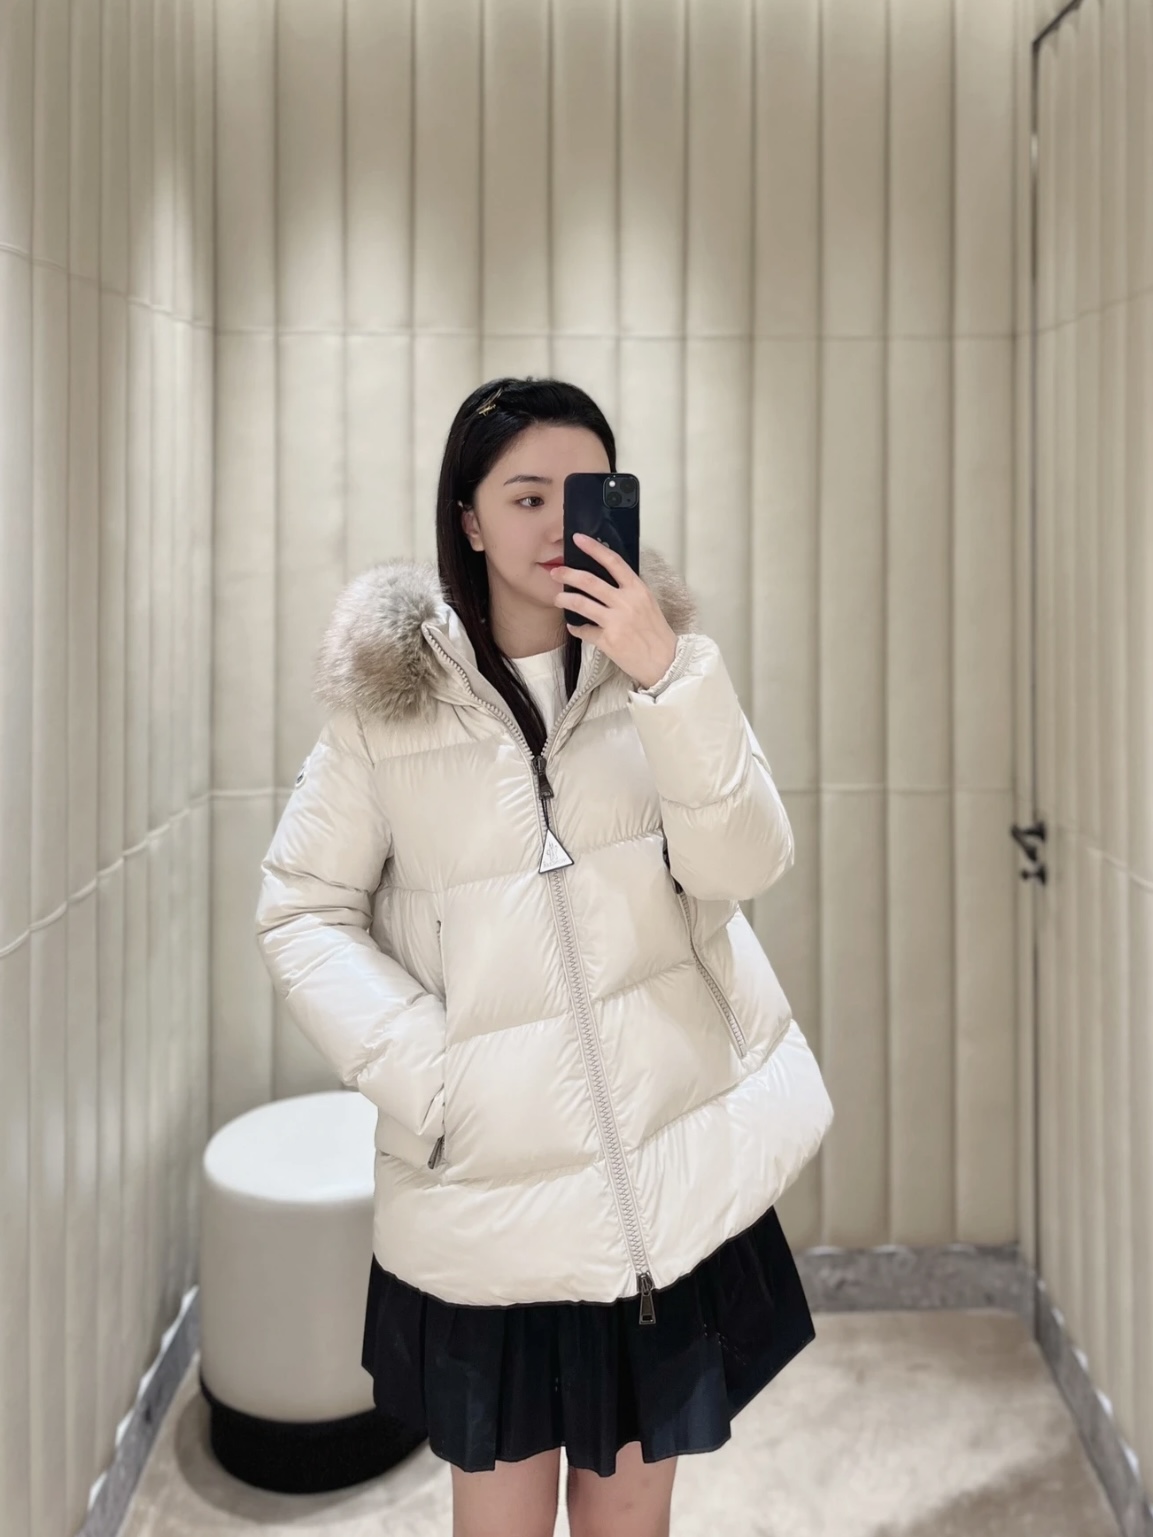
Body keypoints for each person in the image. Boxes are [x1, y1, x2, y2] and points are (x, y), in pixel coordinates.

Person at [255, 377, 834, 1537]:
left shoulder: (665, 672)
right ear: (467, 519)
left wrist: (666, 676)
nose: (556, 523)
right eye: (525, 497)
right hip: (493, 1208)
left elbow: (744, 862)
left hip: (661, 1192)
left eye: (584, 493)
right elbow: (300, 910)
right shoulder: (386, 711)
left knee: (631, 1524)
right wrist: (436, 1075)